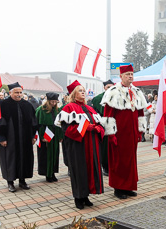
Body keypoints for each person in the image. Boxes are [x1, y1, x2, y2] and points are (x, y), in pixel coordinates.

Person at [55, 80, 105, 209]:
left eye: (84, 90)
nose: (83, 92)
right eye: (80, 91)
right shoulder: (68, 108)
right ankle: (78, 197)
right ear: (73, 94)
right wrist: (86, 128)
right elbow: (66, 129)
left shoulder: (90, 108)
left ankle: (86, 195)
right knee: (79, 170)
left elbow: (98, 124)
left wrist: (99, 129)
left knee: (89, 170)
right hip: (78, 146)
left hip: (92, 145)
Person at [101, 64, 148, 199]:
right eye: (127, 74)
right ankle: (118, 188)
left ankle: (128, 186)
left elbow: (140, 113)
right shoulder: (113, 92)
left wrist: (140, 131)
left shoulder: (137, 92)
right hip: (119, 133)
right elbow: (108, 114)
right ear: (121, 76)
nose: (130, 76)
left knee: (131, 160)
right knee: (119, 161)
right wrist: (111, 134)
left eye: (132, 74)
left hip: (132, 133)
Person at [0, 82, 38, 192]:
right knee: (10, 159)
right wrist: (1, 138)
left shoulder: (27, 105)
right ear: (10, 93)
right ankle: (10, 182)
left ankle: (22, 181)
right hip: (10, 139)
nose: (19, 95)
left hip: (25, 139)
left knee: (24, 158)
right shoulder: (4, 105)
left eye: (20, 92)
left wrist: (33, 136)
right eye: (16, 92)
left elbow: (33, 122)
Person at [35, 92, 63, 182]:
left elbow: (60, 124)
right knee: (46, 155)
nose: (54, 103)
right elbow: (38, 125)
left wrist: (60, 136)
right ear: (48, 101)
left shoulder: (57, 110)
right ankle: (47, 174)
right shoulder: (41, 110)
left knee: (55, 154)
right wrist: (42, 136)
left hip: (54, 135)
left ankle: (53, 173)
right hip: (46, 136)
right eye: (52, 101)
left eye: (55, 102)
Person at [91, 79, 114, 176]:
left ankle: (113, 166)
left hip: (114, 126)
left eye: (112, 87)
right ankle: (105, 166)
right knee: (104, 148)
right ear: (104, 88)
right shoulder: (97, 99)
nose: (110, 89)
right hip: (103, 126)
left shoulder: (117, 97)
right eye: (108, 87)